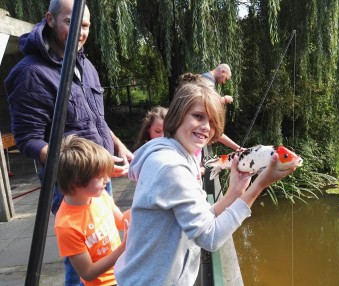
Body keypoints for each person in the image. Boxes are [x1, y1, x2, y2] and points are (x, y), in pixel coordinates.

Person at [114, 73, 296, 285]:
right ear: (177, 116)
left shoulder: (182, 155)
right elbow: (209, 237)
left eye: (211, 121)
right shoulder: (170, 167)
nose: (206, 127)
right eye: (198, 116)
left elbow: (200, 219)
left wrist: (235, 192)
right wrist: (259, 185)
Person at [4, 0, 133, 284]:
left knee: (105, 242)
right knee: (82, 265)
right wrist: (81, 165)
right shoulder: (30, 74)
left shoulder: (84, 65)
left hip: (100, 175)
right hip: (72, 183)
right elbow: (29, 140)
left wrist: (118, 145)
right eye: (72, 23)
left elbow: (95, 119)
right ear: (49, 19)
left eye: (85, 25)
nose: (80, 32)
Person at [55, 135, 128, 286]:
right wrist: (123, 249)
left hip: (122, 273)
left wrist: (144, 205)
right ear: (77, 181)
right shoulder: (67, 226)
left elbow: (121, 222)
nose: (107, 180)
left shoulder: (99, 196)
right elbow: (88, 273)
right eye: (101, 177)